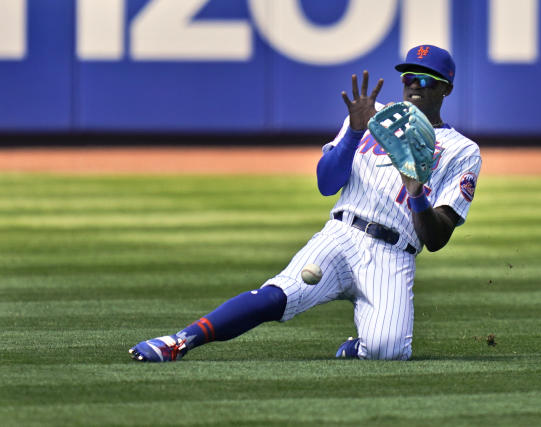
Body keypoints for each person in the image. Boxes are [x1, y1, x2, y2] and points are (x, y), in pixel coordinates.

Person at [129, 44, 481, 362]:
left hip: (394, 255)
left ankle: (360, 347)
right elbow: (326, 183)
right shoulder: (373, 118)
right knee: (277, 296)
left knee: (388, 350)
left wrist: (417, 194)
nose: (416, 85)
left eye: (428, 80)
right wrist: (356, 133)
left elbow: (436, 240)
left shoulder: (462, 151)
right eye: (409, 77)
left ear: (447, 88)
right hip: (342, 234)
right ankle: (178, 341)